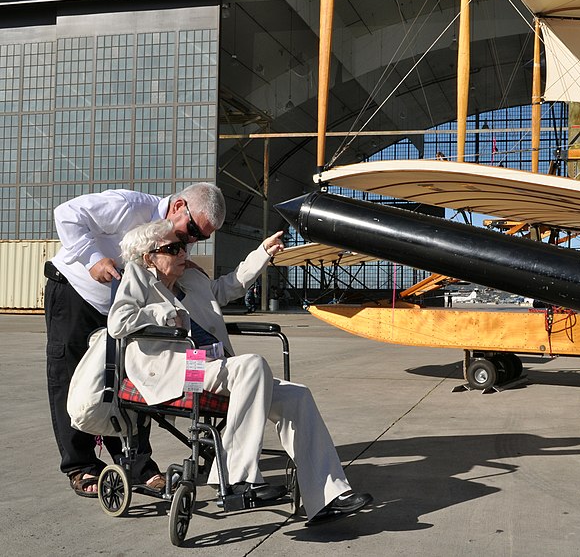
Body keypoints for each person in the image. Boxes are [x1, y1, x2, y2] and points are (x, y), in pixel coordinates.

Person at [108, 220, 372, 524]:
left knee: (297, 397)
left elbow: (229, 286)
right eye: (173, 248)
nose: (184, 252)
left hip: (209, 364)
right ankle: (236, 478)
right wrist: (165, 314)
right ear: (149, 257)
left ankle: (327, 497)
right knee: (252, 364)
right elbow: (118, 322)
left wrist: (262, 252)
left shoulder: (191, 279)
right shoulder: (138, 278)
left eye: (183, 246)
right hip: (178, 368)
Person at [45, 183, 224, 498]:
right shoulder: (129, 206)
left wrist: (180, 261)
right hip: (75, 293)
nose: (192, 240)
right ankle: (81, 465)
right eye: (192, 229)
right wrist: (93, 259)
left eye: (200, 238)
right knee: (71, 376)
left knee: (131, 380)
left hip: (122, 307)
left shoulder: (180, 235)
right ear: (178, 205)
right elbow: (67, 215)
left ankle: (137, 465)